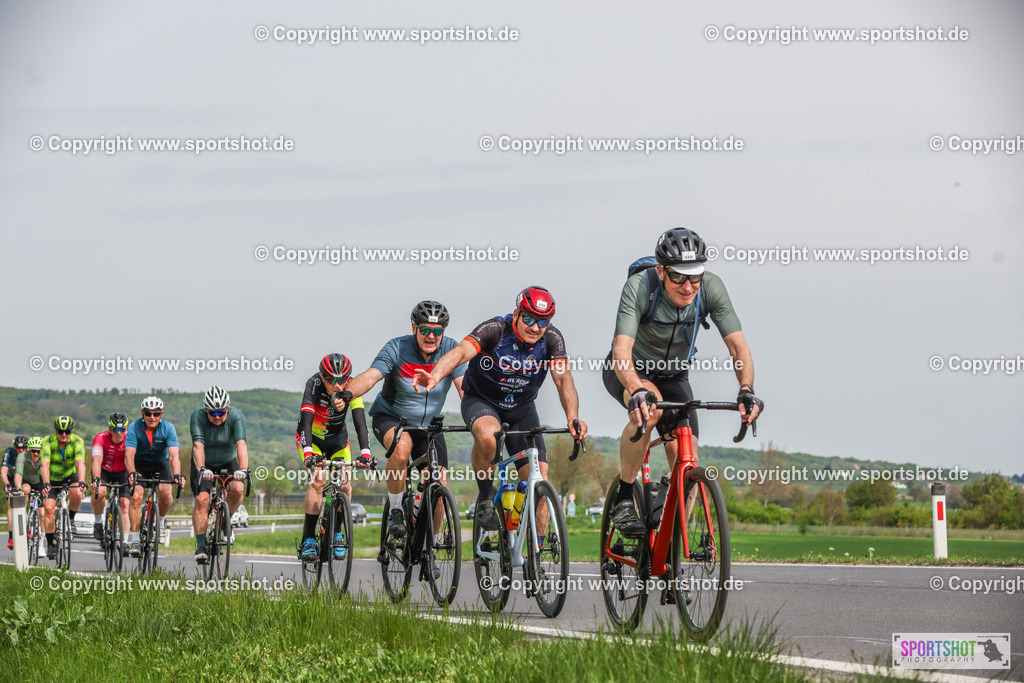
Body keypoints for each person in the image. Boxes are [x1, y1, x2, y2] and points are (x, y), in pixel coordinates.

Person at [604, 227, 764, 538]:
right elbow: (621, 349)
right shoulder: (640, 287)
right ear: (662, 271)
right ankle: (624, 495)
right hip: (631, 370)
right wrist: (635, 387)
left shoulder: (712, 288)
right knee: (649, 410)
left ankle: (672, 549)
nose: (688, 286)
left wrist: (746, 388)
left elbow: (738, 347)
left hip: (675, 375)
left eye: (695, 276)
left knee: (687, 456)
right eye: (679, 276)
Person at [414, 286, 587, 532]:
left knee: (539, 481)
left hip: (522, 408)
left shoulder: (552, 338)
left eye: (542, 321)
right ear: (516, 313)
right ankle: (485, 496)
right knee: (488, 438)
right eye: (528, 319)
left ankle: (537, 563)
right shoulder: (494, 330)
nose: (535, 327)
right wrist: (435, 375)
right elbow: (461, 352)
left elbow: (563, 378)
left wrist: (573, 417)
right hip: (482, 401)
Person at [346, 300, 466, 539]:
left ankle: (428, 545)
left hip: (428, 426)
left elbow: (467, 390)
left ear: (444, 331)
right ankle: (397, 509)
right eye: (424, 330)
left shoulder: (452, 351)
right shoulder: (397, 348)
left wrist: (479, 418)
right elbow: (372, 376)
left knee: (439, 480)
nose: (431, 336)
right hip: (390, 418)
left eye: (437, 331)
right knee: (402, 449)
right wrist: (348, 392)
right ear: (414, 329)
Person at [296, 354, 372, 561]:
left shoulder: (352, 388)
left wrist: (365, 452)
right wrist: (309, 453)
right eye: (331, 380)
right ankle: (309, 538)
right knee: (319, 479)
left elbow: (360, 423)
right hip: (313, 440)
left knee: (345, 484)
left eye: (342, 380)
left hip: (338, 441)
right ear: (322, 377)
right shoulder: (314, 385)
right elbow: (306, 423)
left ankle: (337, 531)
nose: (337, 385)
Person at [189, 386, 249, 565]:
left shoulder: (235, 416)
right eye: (213, 413)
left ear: (227, 409)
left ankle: (224, 522)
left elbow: (241, 444)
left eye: (221, 412)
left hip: (227, 461)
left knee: (238, 489)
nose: (217, 417)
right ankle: (201, 546)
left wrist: (243, 469)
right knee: (201, 500)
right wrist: (201, 468)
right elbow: (198, 446)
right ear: (206, 410)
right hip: (204, 463)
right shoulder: (198, 417)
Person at [125, 396, 184, 557]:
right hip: (139, 465)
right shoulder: (134, 427)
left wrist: (177, 474)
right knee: (136, 497)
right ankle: (136, 539)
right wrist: (131, 472)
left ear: (161, 414)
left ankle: (161, 522)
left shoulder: (168, 428)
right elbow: (129, 455)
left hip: (160, 464)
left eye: (156, 414)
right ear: (142, 414)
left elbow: (174, 455)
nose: (152, 417)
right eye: (148, 413)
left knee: (166, 494)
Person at [40, 416, 87, 560]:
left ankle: (71, 519)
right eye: (61, 431)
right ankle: (50, 544)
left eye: (67, 431)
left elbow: (80, 463)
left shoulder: (77, 441)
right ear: (55, 430)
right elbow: (45, 465)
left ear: (71, 431)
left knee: (78, 493)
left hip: (68, 475)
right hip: (51, 477)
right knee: (48, 508)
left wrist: (82, 481)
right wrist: (46, 482)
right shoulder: (47, 441)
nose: (64, 435)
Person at [90, 413, 132, 544]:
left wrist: (133, 474)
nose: (119, 433)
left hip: (122, 472)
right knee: (100, 492)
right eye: (116, 430)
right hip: (104, 471)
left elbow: (132, 459)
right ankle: (98, 522)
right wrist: (96, 478)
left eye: (122, 430)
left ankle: (124, 542)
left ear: (126, 429)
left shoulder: (130, 438)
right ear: (110, 430)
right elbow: (96, 460)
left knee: (124, 504)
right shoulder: (100, 438)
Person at [3, 436, 29, 549]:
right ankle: (11, 536)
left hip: (25, 480)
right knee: (10, 505)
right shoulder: (9, 452)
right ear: (14, 447)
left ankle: (27, 520)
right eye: (18, 448)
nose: (21, 450)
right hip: (12, 480)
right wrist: (6, 483)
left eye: (24, 448)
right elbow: (3, 471)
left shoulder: (30, 453)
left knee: (26, 492)